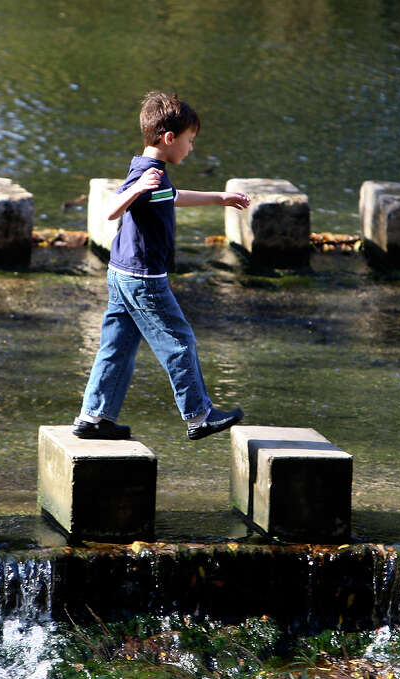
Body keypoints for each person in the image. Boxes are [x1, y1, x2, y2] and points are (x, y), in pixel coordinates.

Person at [73, 91, 250, 441]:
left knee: (117, 347)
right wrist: (135, 189)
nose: (191, 148)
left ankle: (94, 416)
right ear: (169, 139)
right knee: (179, 340)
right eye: (190, 141)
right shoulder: (146, 175)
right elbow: (112, 210)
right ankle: (198, 414)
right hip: (143, 280)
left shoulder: (152, 172)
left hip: (123, 274)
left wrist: (219, 198)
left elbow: (172, 196)